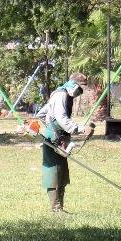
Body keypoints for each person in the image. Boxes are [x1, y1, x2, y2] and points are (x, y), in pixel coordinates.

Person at [37, 72, 94, 214]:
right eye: (80, 88)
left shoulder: (63, 95)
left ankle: (60, 207)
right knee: (53, 172)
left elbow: (42, 114)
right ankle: (56, 209)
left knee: (62, 172)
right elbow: (61, 118)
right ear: (74, 84)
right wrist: (79, 129)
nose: (80, 92)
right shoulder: (61, 95)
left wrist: (55, 129)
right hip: (53, 138)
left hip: (60, 136)